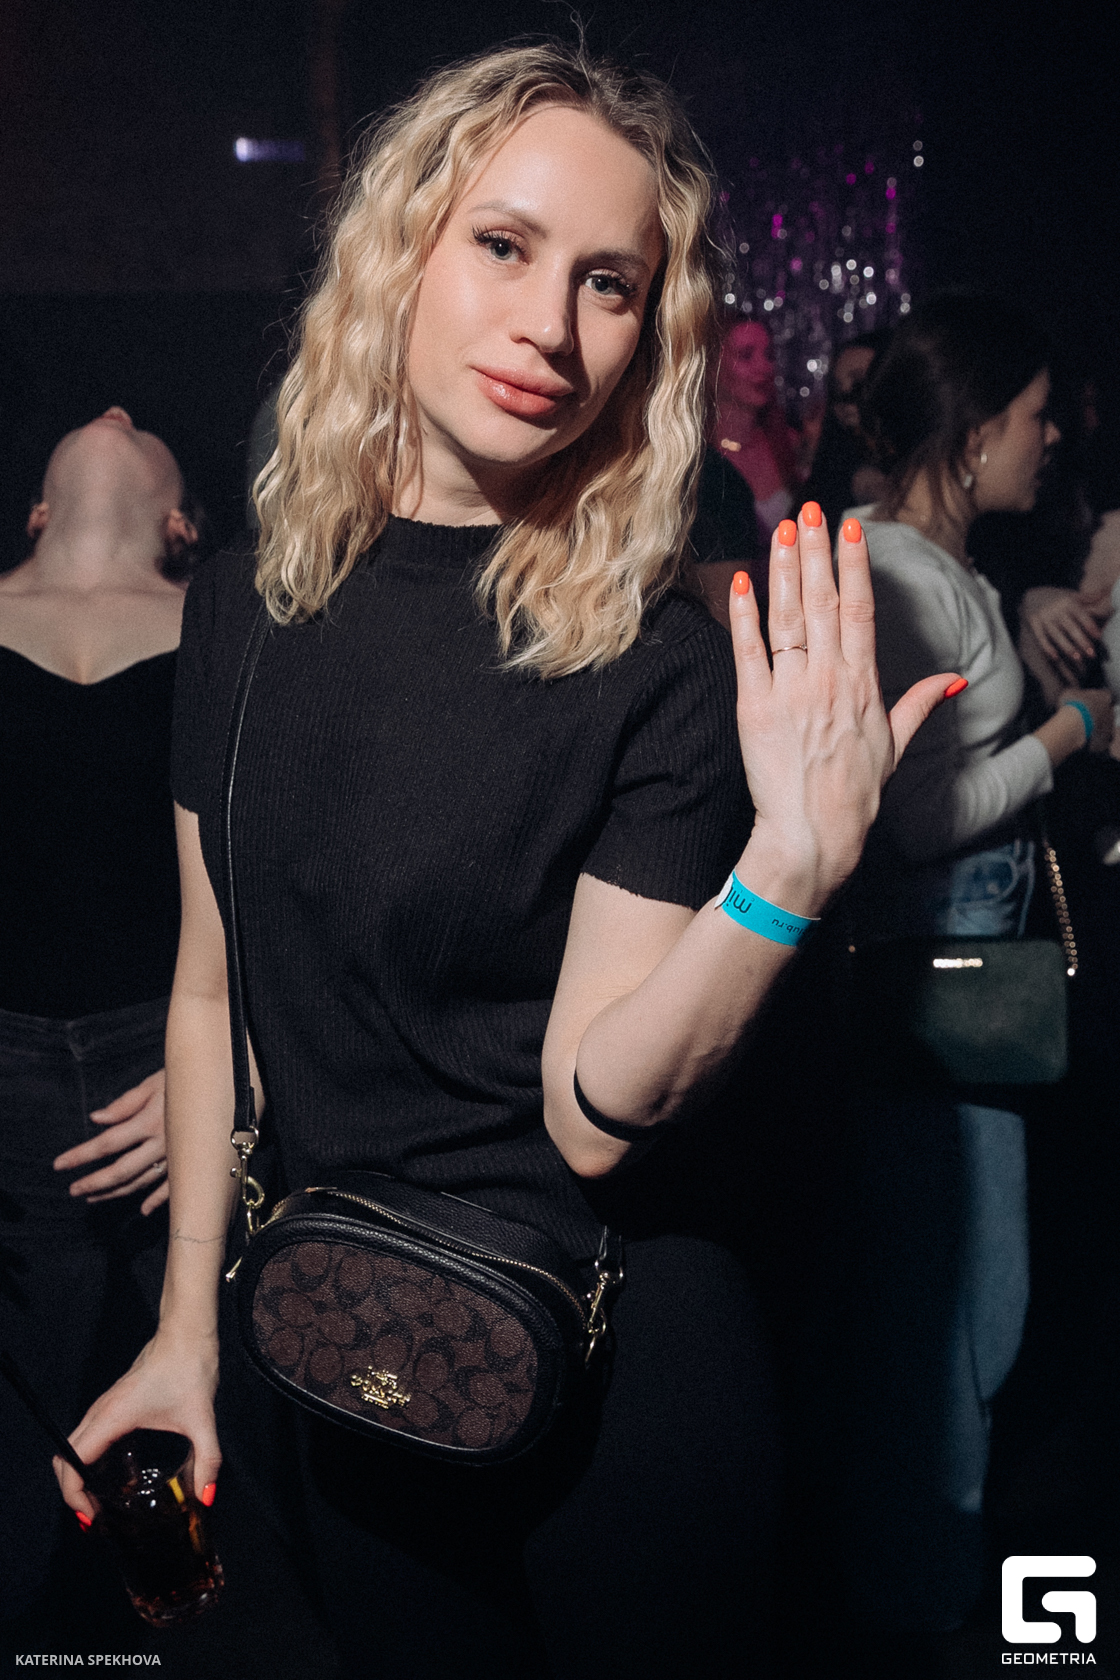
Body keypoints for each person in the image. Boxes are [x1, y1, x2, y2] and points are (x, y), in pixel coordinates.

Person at [57, 45, 959, 1678]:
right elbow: (206, 997)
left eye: (610, 283)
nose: (553, 324)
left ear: (648, 337)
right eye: (504, 244)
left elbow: (595, 1112)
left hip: (616, 1376)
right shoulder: (243, 609)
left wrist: (792, 867)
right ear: (398, 253)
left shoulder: (653, 658)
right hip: (349, 1343)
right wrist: (186, 1332)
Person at [798, 295, 1115, 1645]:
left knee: (971, 1309)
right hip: (933, 975)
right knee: (955, 1324)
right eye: (1035, 416)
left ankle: (934, 1593)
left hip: (964, 972)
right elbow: (912, 820)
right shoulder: (899, 575)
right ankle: (928, 1615)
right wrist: (1074, 730)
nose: (1052, 438)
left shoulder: (932, 560)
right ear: (977, 428)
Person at [0, 408, 197, 1625]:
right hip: (4, 1082)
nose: (118, 412)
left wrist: (224, 1072)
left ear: (181, 525)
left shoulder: (231, 633)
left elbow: (293, 880)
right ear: (34, 511)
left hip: (176, 1061)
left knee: (225, 1456)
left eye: (146, 427)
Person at [713, 317, 802, 548]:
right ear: (712, 367)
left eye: (768, 355)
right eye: (746, 355)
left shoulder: (789, 444)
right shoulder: (696, 456)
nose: (764, 367)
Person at [801, 329, 890, 535]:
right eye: (837, 388)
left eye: (859, 384)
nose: (845, 398)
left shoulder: (924, 465)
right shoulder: (833, 470)